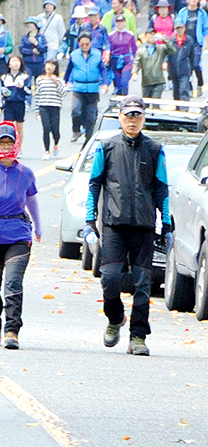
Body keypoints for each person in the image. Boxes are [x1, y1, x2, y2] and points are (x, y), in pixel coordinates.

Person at [85, 95, 171, 356]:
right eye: (128, 115)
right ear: (120, 117)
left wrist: (165, 223)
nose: (133, 120)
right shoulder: (106, 146)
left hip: (144, 226)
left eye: (137, 116)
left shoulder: (155, 150)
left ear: (144, 118)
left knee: (143, 282)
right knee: (110, 279)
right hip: (113, 225)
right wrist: (90, 220)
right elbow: (94, 184)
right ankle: (115, 318)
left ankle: (138, 336)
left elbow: (162, 188)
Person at [0, 122, 42, 350]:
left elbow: (31, 200)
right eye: (1, 142)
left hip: (18, 236)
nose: (5, 147)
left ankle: (12, 330)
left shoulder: (25, 173)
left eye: (9, 142)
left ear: (16, 144)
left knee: (13, 283)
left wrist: (38, 227)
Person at [64, 33, 109, 145]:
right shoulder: (74, 55)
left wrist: (105, 84)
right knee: (75, 110)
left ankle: (89, 138)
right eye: (82, 44)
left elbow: (103, 70)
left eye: (87, 44)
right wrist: (68, 82)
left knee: (91, 116)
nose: (84, 46)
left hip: (92, 89)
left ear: (90, 44)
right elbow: (69, 69)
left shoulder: (97, 55)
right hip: (78, 88)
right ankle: (76, 130)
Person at [34, 60, 68, 159]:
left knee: (55, 131)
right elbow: (38, 95)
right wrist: (37, 111)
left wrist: (56, 83)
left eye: (52, 65)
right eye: (48, 65)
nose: (49, 67)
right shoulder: (39, 79)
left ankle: (56, 143)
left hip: (55, 107)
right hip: (43, 107)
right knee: (46, 128)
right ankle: (47, 151)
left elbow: (64, 93)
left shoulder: (60, 80)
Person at [176, 0, 208, 97]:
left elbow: (206, 29)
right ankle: (188, 87)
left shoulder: (202, 13)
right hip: (185, 42)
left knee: (195, 64)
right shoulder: (182, 12)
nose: (194, 0)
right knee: (186, 65)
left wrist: (207, 44)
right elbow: (178, 25)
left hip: (196, 42)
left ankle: (200, 83)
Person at [133, 27, 176, 99]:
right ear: (146, 36)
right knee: (146, 103)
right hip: (146, 81)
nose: (152, 36)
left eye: (153, 34)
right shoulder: (141, 51)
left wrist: (164, 39)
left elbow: (172, 50)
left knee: (156, 102)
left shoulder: (160, 48)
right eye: (150, 34)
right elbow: (136, 62)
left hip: (158, 81)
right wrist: (134, 72)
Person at [0, 56, 31, 139]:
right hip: (8, 104)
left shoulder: (25, 77)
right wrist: (3, 93)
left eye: (17, 61)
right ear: (9, 64)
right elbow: (0, 91)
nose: (16, 63)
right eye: (13, 61)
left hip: (20, 103)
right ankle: (9, 147)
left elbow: (29, 92)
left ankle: (18, 148)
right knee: (8, 127)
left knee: (19, 128)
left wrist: (23, 87)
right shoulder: (4, 77)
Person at [108, 14, 138, 96]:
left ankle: (125, 99)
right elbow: (109, 49)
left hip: (127, 61)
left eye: (122, 21)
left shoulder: (130, 35)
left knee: (124, 81)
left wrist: (137, 63)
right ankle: (119, 102)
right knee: (118, 84)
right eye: (118, 22)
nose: (120, 24)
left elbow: (134, 49)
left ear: (125, 23)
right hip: (115, 61)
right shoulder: (111, 35)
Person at [171, 18, 199, 104]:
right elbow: (168, 54)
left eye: (181, 28)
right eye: (177, 28)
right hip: (174, 70)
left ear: (184, 28)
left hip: (185, 70)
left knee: (184, 90)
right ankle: (178, 108)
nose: (179, 30)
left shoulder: (189, 40)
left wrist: (191, 69)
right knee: (176, 91)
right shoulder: (172, 40)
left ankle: (184, 109)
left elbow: (192, 56)